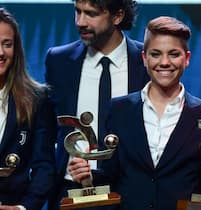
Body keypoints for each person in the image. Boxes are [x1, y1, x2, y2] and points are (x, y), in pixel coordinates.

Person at [68, 16, 201, 210]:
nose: (164, 62)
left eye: (173, 54)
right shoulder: (120, 109)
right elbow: (111, 176)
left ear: (186, 58)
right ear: (144, 58)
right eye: (156, 54)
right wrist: (88, 177)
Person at [44, 0, 149, 209]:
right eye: (77, 12)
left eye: (91, 14)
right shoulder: (59, 60)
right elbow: (47, 130)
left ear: (117, 16)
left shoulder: (146, 61)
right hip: (72, 189)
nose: (80, 21)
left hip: (129, 191)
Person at [0, 8, 56, 210]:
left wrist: (24, 208)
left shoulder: (36, 99)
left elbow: (44, 165)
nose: (1, 52)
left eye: (7, 44)